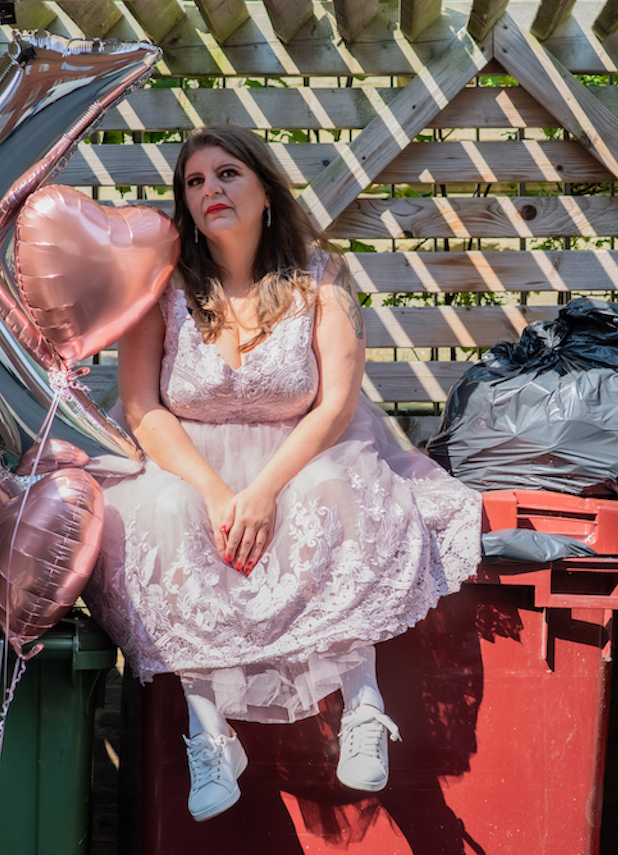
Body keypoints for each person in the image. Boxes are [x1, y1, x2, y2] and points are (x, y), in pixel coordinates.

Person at [82, 125, 482, 822]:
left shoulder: (324, 279)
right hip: (186, 460)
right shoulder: (162, 288)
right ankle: (209, 732)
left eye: (227, 173)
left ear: (266, 190)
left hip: (307, 451)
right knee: (164, 514)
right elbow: (143, 409)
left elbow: (337, 406)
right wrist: (216, 493)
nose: (210, 189)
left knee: (337, 489)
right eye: (195, 181)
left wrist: (265, 489)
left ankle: (364, 705)